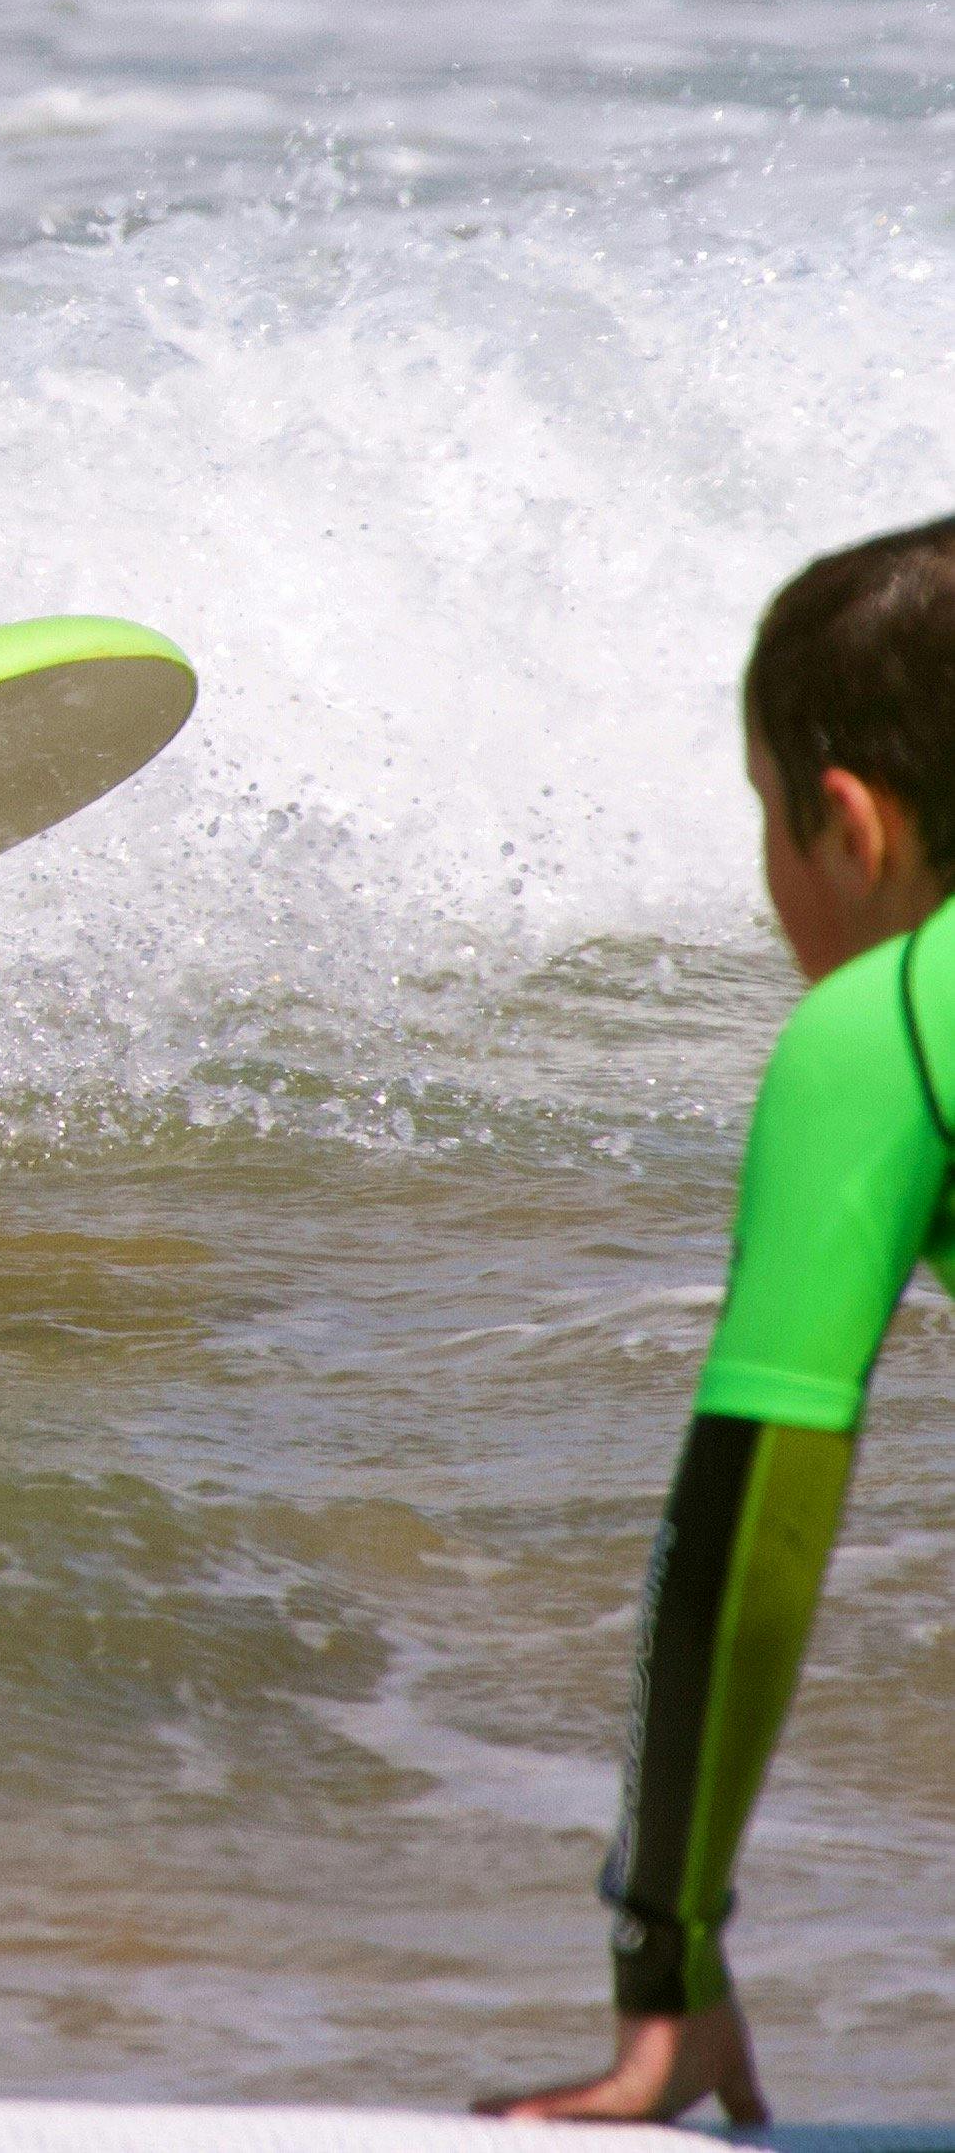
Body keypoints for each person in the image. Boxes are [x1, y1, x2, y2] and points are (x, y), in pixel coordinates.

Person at [490, 517, 955, 2128]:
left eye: (768, 820)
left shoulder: (889, 1023)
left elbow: (750, 1520)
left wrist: (664, 1958)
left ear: (850, 821)